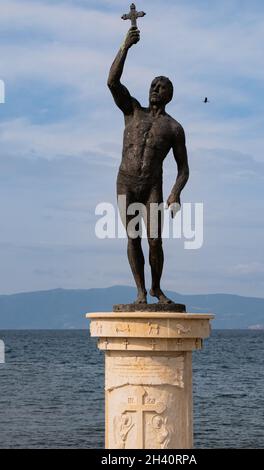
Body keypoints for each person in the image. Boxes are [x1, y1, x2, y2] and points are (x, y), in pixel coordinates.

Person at [107, 27, 189, 304]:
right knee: (133, 237)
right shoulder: (132, 111)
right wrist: (125, 47)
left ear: (169, 95)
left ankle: (156, 288)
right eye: (153, 85)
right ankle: (140, 292)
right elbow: (112, 82)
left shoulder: (174, 128)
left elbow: (183, 168)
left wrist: (175, 193)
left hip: (153, 184)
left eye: (160, 87)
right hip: (126, 181)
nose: (154, 89)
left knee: (155, 240)